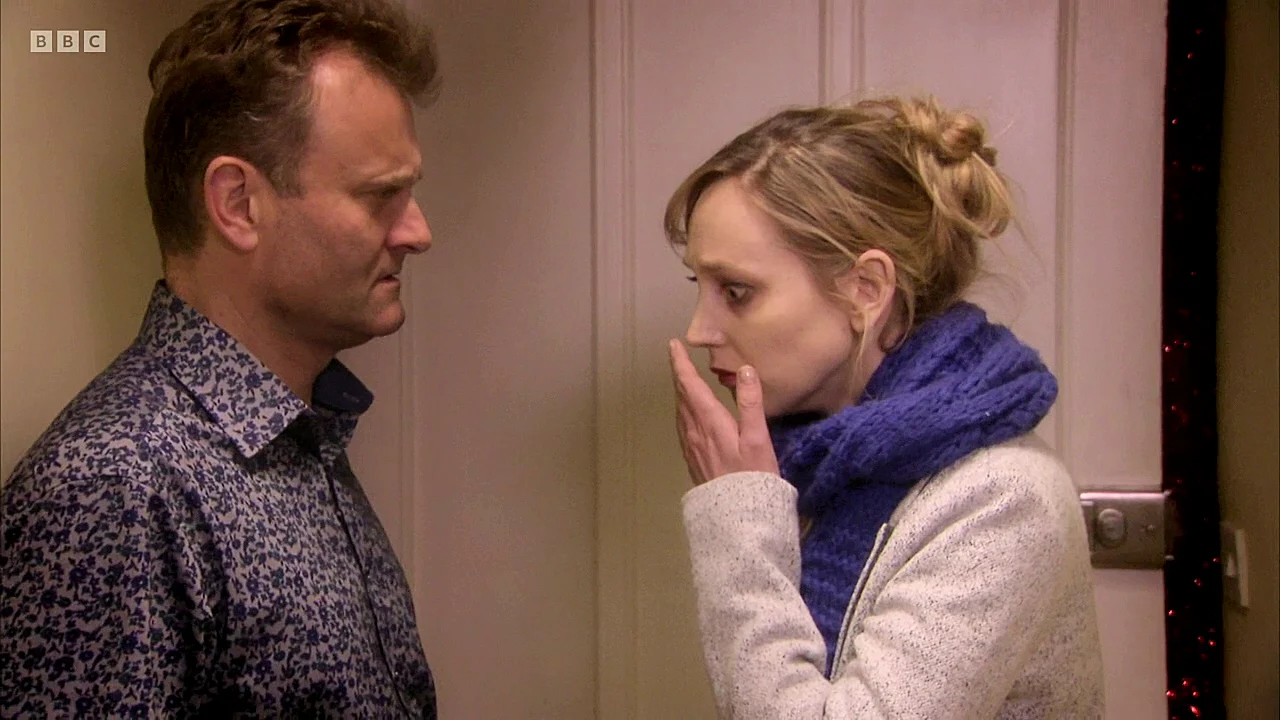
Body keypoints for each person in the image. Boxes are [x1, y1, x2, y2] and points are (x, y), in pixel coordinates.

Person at [0, 0, 440, 716]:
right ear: (237, 203)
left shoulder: (301, 441)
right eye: (380, 195)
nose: (417, 232)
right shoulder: (116, 487)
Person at [665, 96, 1105, 718]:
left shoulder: (1003, 499)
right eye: (701, 287)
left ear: (866, 289)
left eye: (736, 292)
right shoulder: (816, 463)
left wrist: (737, 522)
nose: (699, 330)